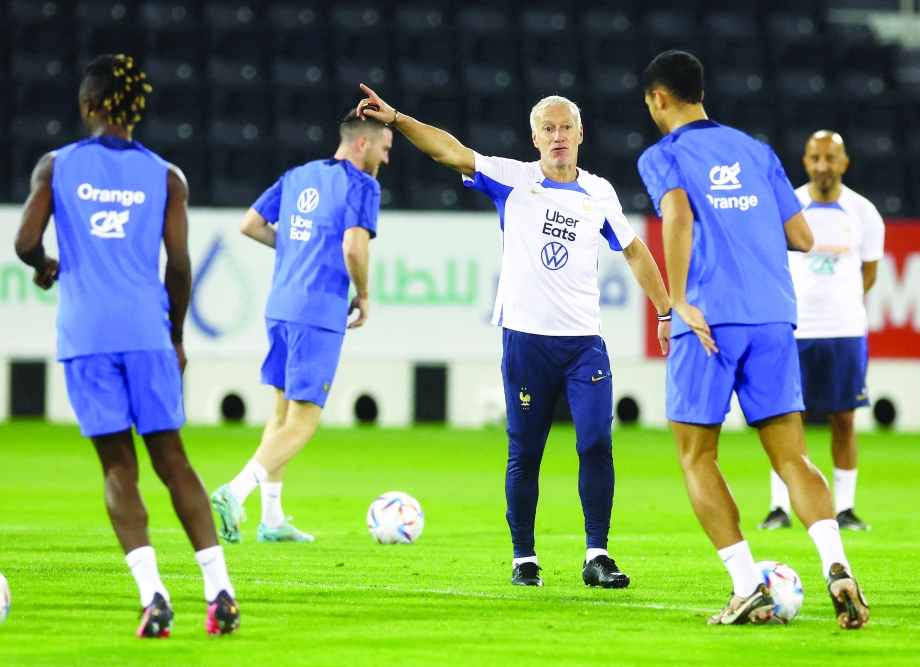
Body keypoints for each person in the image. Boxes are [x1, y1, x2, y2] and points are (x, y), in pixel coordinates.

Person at [354, 83, 672, 589]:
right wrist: (394, 118)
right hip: (526, 341)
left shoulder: (600, 193)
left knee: (595, 443)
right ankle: (524, 558)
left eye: (566, 126)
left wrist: (664, 311)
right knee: (525, 452)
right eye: (549, 128)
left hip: (584, 342)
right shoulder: (512, 179)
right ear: (535, 137)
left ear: (581, 134)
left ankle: (598, 554)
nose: (559, 135)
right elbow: (448, 150)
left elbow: (634, 251)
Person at [637, 51, 869, 629]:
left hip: (709, 321)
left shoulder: (664, 155)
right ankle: (836, 566)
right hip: (772, 318)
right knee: (792, 456)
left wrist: (680, 298)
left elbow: (678, 216)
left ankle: (748, 587)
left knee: (697, 455)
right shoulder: (756, 150)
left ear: (658, 99)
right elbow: (802, 235)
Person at [14, 54, 239, 637]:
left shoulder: (57, 165)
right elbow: (182, 267)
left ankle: (154, 595)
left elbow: (24, 242)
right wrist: (176, 338)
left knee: (119, 468)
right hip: (147, 334)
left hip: (87, 337)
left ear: (88, 106)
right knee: (174, 459)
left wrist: (46, 266)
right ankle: (220, 591)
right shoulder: (167, 176)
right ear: (136, 112)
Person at [210, 107, 392, 544]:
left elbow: (250, 224)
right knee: (305, 421)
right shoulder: (361, 184)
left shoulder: (297, 175)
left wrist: (293, 247)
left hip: (281, 304)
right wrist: (363, 294)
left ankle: (271, 520)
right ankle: (234, 492)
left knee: (281, 413)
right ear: (362, 143)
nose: (386, 160)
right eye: (385, 149)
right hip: (318, 309)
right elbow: (353, 247)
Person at [758, 131, 884, 533]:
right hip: (794, 329)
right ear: (806, 161)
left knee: (844, 418)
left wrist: (839, 304)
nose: (823, 166)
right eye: (816, 158)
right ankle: (780, 507)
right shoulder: (790, 207)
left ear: (844, 163)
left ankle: (844, 508)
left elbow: (869, 274)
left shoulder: (864, 213)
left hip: (845, 331)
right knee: (784, 418)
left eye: (831, 158)